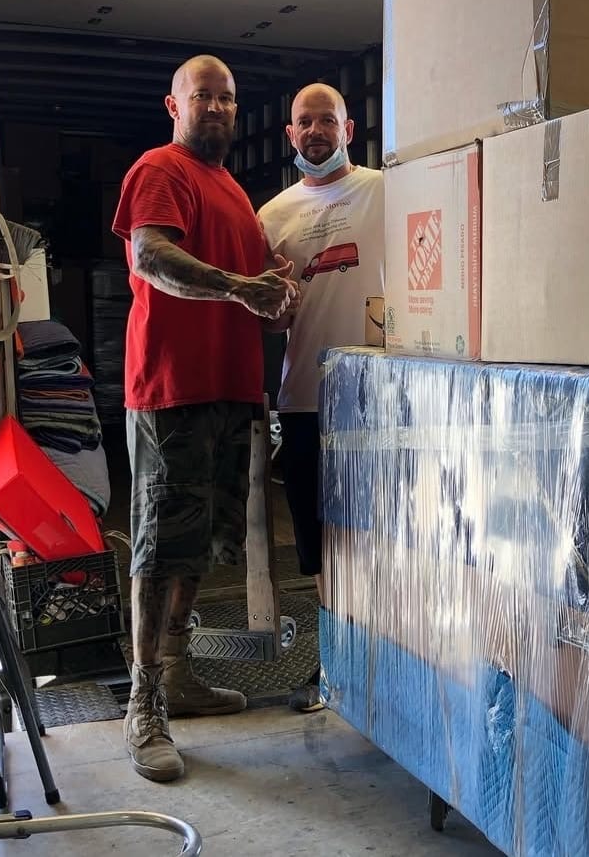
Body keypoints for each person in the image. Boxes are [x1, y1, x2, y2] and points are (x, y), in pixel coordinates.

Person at [112, 54, 300, 783]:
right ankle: (143, 702)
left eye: (226, 98)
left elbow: (256, 287)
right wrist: (239, 285)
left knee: (195, 548)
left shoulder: (231, 190)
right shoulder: (160, 169)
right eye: (203, 97)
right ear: (174, 104)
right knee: (159, 546)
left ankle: (177, 671)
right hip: (172, 391)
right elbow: (152, 255)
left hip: (227, 391)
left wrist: (274, 286)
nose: (216, 108)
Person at [258, 83, 385, 712]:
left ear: (349, 128)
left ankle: (382, 663)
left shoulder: (387, 191)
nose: (315, 130)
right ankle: (337, 669)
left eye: (326, 120)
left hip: (378, 398)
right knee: (318, 540)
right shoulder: (272, 216)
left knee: (379, 532)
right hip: (305, 396)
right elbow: (274, 322)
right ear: (290, 134)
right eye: (303, 121)